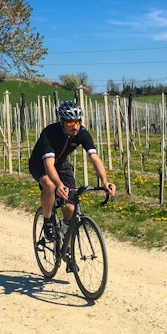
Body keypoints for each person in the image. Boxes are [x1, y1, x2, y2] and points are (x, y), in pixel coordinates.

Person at [29, 100, 116, 243]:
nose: (75, 126)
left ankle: (67, 248)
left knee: (70, 208)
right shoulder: (49, 133)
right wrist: (59, 185)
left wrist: (105, 181)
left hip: (61, 164)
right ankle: (47, 221)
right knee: (50, 185)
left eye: (78, 122)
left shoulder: (82, 133)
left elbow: (94, 158)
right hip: (40, 164)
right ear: (62, 121)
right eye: (70, 122)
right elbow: (49, 165)